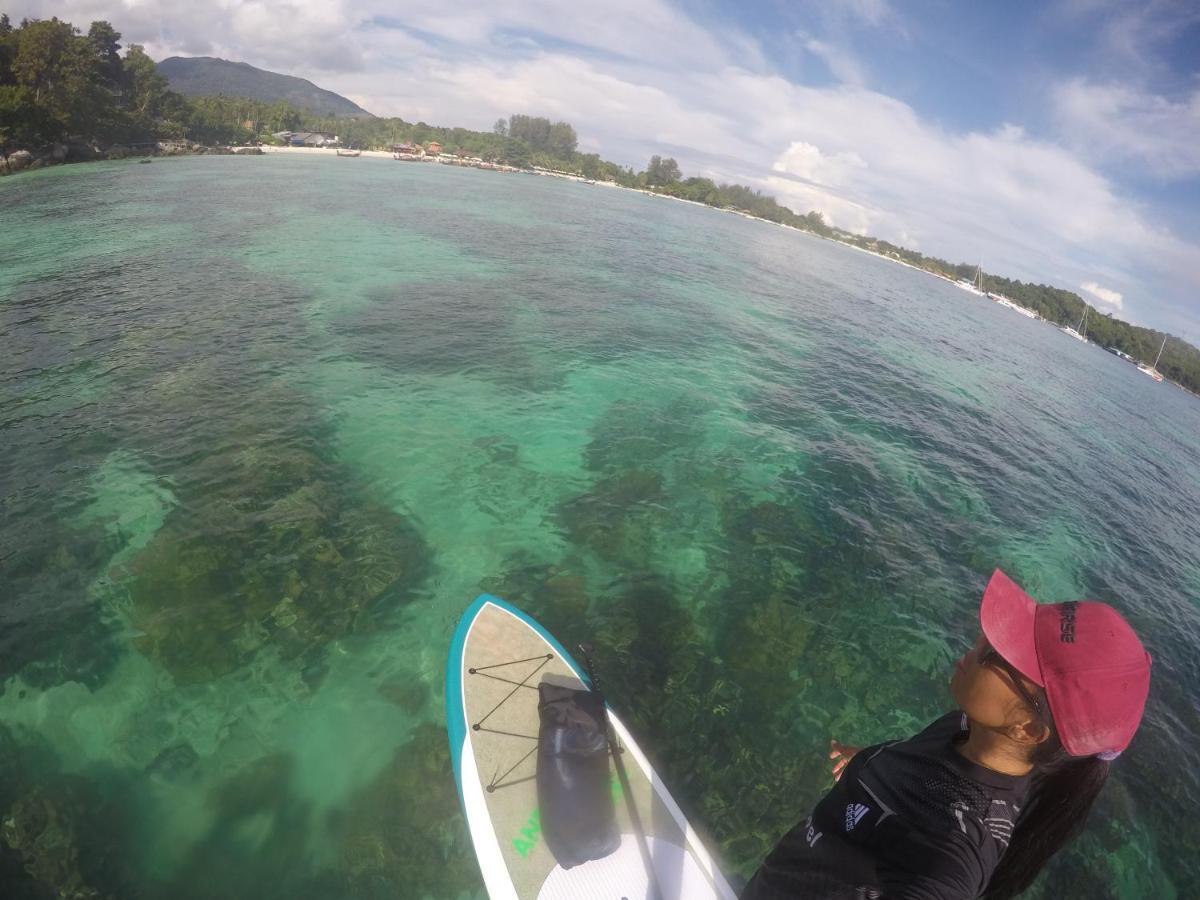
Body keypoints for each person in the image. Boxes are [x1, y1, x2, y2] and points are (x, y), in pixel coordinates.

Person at [741, 569, 1152, 900]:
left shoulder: (955, 846)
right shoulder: (966, 727)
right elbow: (922, 770)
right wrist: (869, 764)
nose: (975, 644)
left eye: (995, 654)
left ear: (1028, 728)